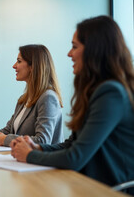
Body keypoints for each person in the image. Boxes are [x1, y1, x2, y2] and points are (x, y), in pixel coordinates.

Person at [11, 16, 134, 192]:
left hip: (108, 189)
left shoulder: (111, 93)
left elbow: (75, 157)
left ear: (95, 50)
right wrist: (39, 147)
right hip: (90, 185)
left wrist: (31, 155)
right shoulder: (96, 90)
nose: (69, 54)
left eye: (75, 47)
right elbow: (72, 144)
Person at [0, 45, 63, 147]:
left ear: (33, 66)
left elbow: (42, 141)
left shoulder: (48, 98)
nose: (14, 66)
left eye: (19, 61)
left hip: (42, 162)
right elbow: (8, 131)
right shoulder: (24, 99)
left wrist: (5, 140)